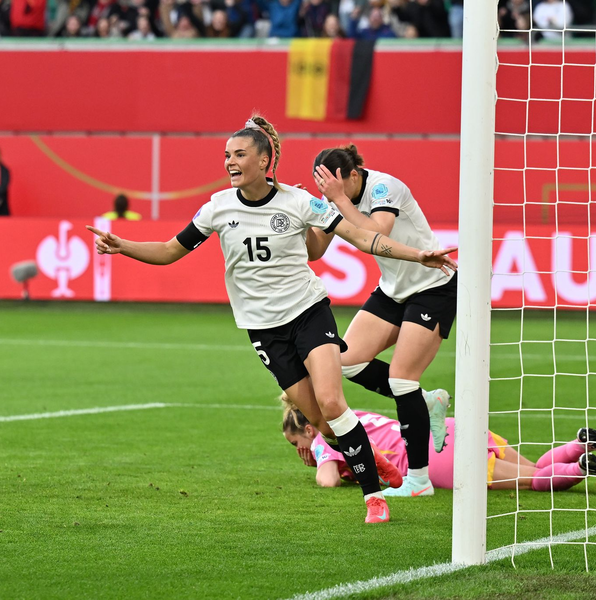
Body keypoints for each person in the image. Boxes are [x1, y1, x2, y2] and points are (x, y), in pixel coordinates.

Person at [87, 115, 457, 523]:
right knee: (320, 421)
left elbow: (363, 237)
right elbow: (170, 250)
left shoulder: (298, 202)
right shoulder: (217, 208)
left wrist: (416, 254)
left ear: (264, 161)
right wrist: (123, 246)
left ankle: (374, 497)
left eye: (239, 154)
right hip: (263, 328)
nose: (230, 161)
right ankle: (385, 470)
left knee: (333, 401)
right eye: (226, 155)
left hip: (309, 313)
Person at [308, 145, 456, 499]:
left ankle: (419, 481)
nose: (329, 192)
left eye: (334, 185)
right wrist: (303, 214)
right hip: (392, 290)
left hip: (432, 285)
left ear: (354, 175)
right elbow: (315, 250)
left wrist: (338, 201)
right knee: (346, 360)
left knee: (401, 379)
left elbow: (379, 233)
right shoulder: (334, 200)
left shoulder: (383, 187)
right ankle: (427, 401)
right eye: (323, 186)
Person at [282, 398, 596, 492]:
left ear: (309, 429)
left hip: (436, 458)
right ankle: (581, 446)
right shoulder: (351, 414)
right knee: (536, 467)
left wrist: (318, 459)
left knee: (530, 482)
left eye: (296, 443)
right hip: (447, 428)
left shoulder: (326, 437)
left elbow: (328, 481)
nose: (299, 451)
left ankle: (582, 468)